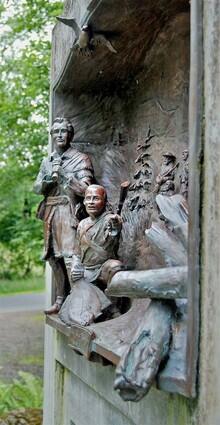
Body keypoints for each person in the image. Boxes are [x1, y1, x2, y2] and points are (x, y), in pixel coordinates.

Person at [34, 117, 94, 314]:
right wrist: (46, 180)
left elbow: (87, 189)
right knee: (52, 257)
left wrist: (64, 175)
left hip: (68, 211)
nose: (59, 135)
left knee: (70, 258)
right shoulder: (47, 160)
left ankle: (79, 303)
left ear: (70, 135)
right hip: (50, 212)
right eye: (56, 131)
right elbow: (36, 188)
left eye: (63, 131)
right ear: (51, 136)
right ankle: (60, 300)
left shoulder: (80, 159)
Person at [71, 184, 123, 286]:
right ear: (84, 202)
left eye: (96, 198)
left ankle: (114, 300)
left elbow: (113, 230)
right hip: (85, 269)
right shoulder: (82, 224)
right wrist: (75, 264)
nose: (91, 202)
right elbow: (77, 252)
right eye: (88, 198)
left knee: (115, 266)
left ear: (104, 202)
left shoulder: (108, 219)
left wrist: (115, 225)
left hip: (103, 268)